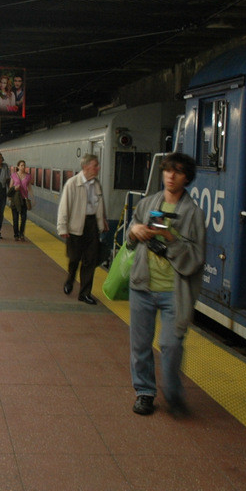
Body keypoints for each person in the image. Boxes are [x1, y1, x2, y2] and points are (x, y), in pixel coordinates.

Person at [126, 152, 206, 416]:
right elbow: (130, 236)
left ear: (187, 178)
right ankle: (145, 393)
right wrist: (134, 231)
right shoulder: (148, 204)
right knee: (140, 344)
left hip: (175, 291)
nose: (171, 176)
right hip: (142, 285)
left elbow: (195, 260)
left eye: (178, 172)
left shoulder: (193, 214)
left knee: (171, 344)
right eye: (168, 170)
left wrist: (170, 237)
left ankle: (172, 394)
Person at [56, 154, 107, 305]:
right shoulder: (72, 184)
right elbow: (64, 207)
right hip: (75, 225)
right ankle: (70, 279)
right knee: (74, 258)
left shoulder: (96, 184)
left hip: (91, 225)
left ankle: (84, 293)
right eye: (95, 165)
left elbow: (99, 204)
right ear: (85, 167)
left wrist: (102, 220)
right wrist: (62, 227)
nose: (98, 168)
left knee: (90, 260)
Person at [8, 159, 31, 241]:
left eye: (24, 165)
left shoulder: (28, 176)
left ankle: (21, 233)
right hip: (15, 199)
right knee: (15, 218)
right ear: (18, 166)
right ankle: (16, 234)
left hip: (24, 199)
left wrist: (32, 198)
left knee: (24, 218)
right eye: (21, 165)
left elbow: (29, 187)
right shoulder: (13, 175)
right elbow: (11, 187)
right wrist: (14, 189)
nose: (23, 167)